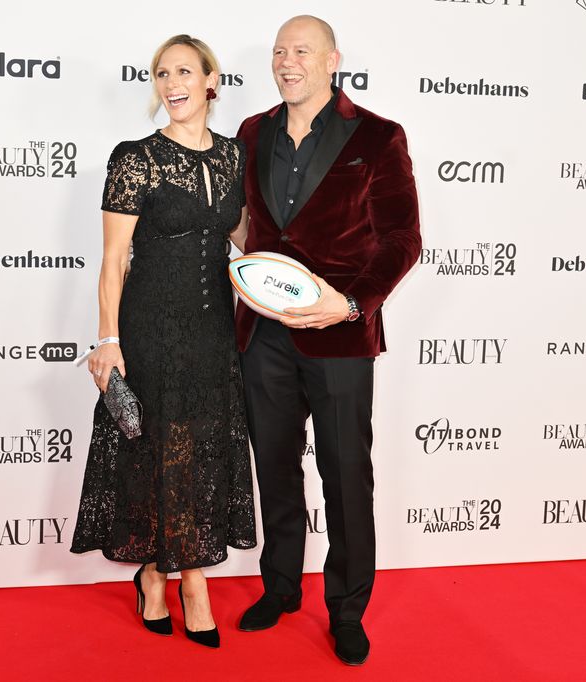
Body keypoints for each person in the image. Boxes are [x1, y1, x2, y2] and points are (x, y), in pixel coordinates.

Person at [234, 15, 421, 665]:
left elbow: (402, 239)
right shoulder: (252, 132)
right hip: (262, 336)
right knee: (275, 469)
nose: (289, 62)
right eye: (281, 51)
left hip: (340, 336)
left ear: (332, 60)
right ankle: (281, 586)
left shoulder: (378, 135)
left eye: (303, 51)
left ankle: (347, 609)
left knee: (345, 475)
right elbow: (248, 228)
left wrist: (348, 304)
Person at [70, 34, 256, 649]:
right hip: (149, 330)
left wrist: (299, 288)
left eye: (183, 71)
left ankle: (154, 571)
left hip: (212, 333)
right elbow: (113, 259)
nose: (171, 83)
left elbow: (247, 247)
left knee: (198, 452)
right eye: (160, 73)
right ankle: (190, 583)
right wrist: (107, 338)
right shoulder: (135, 158)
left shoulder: (234, 157)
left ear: (211, 81)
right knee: (157, 453)